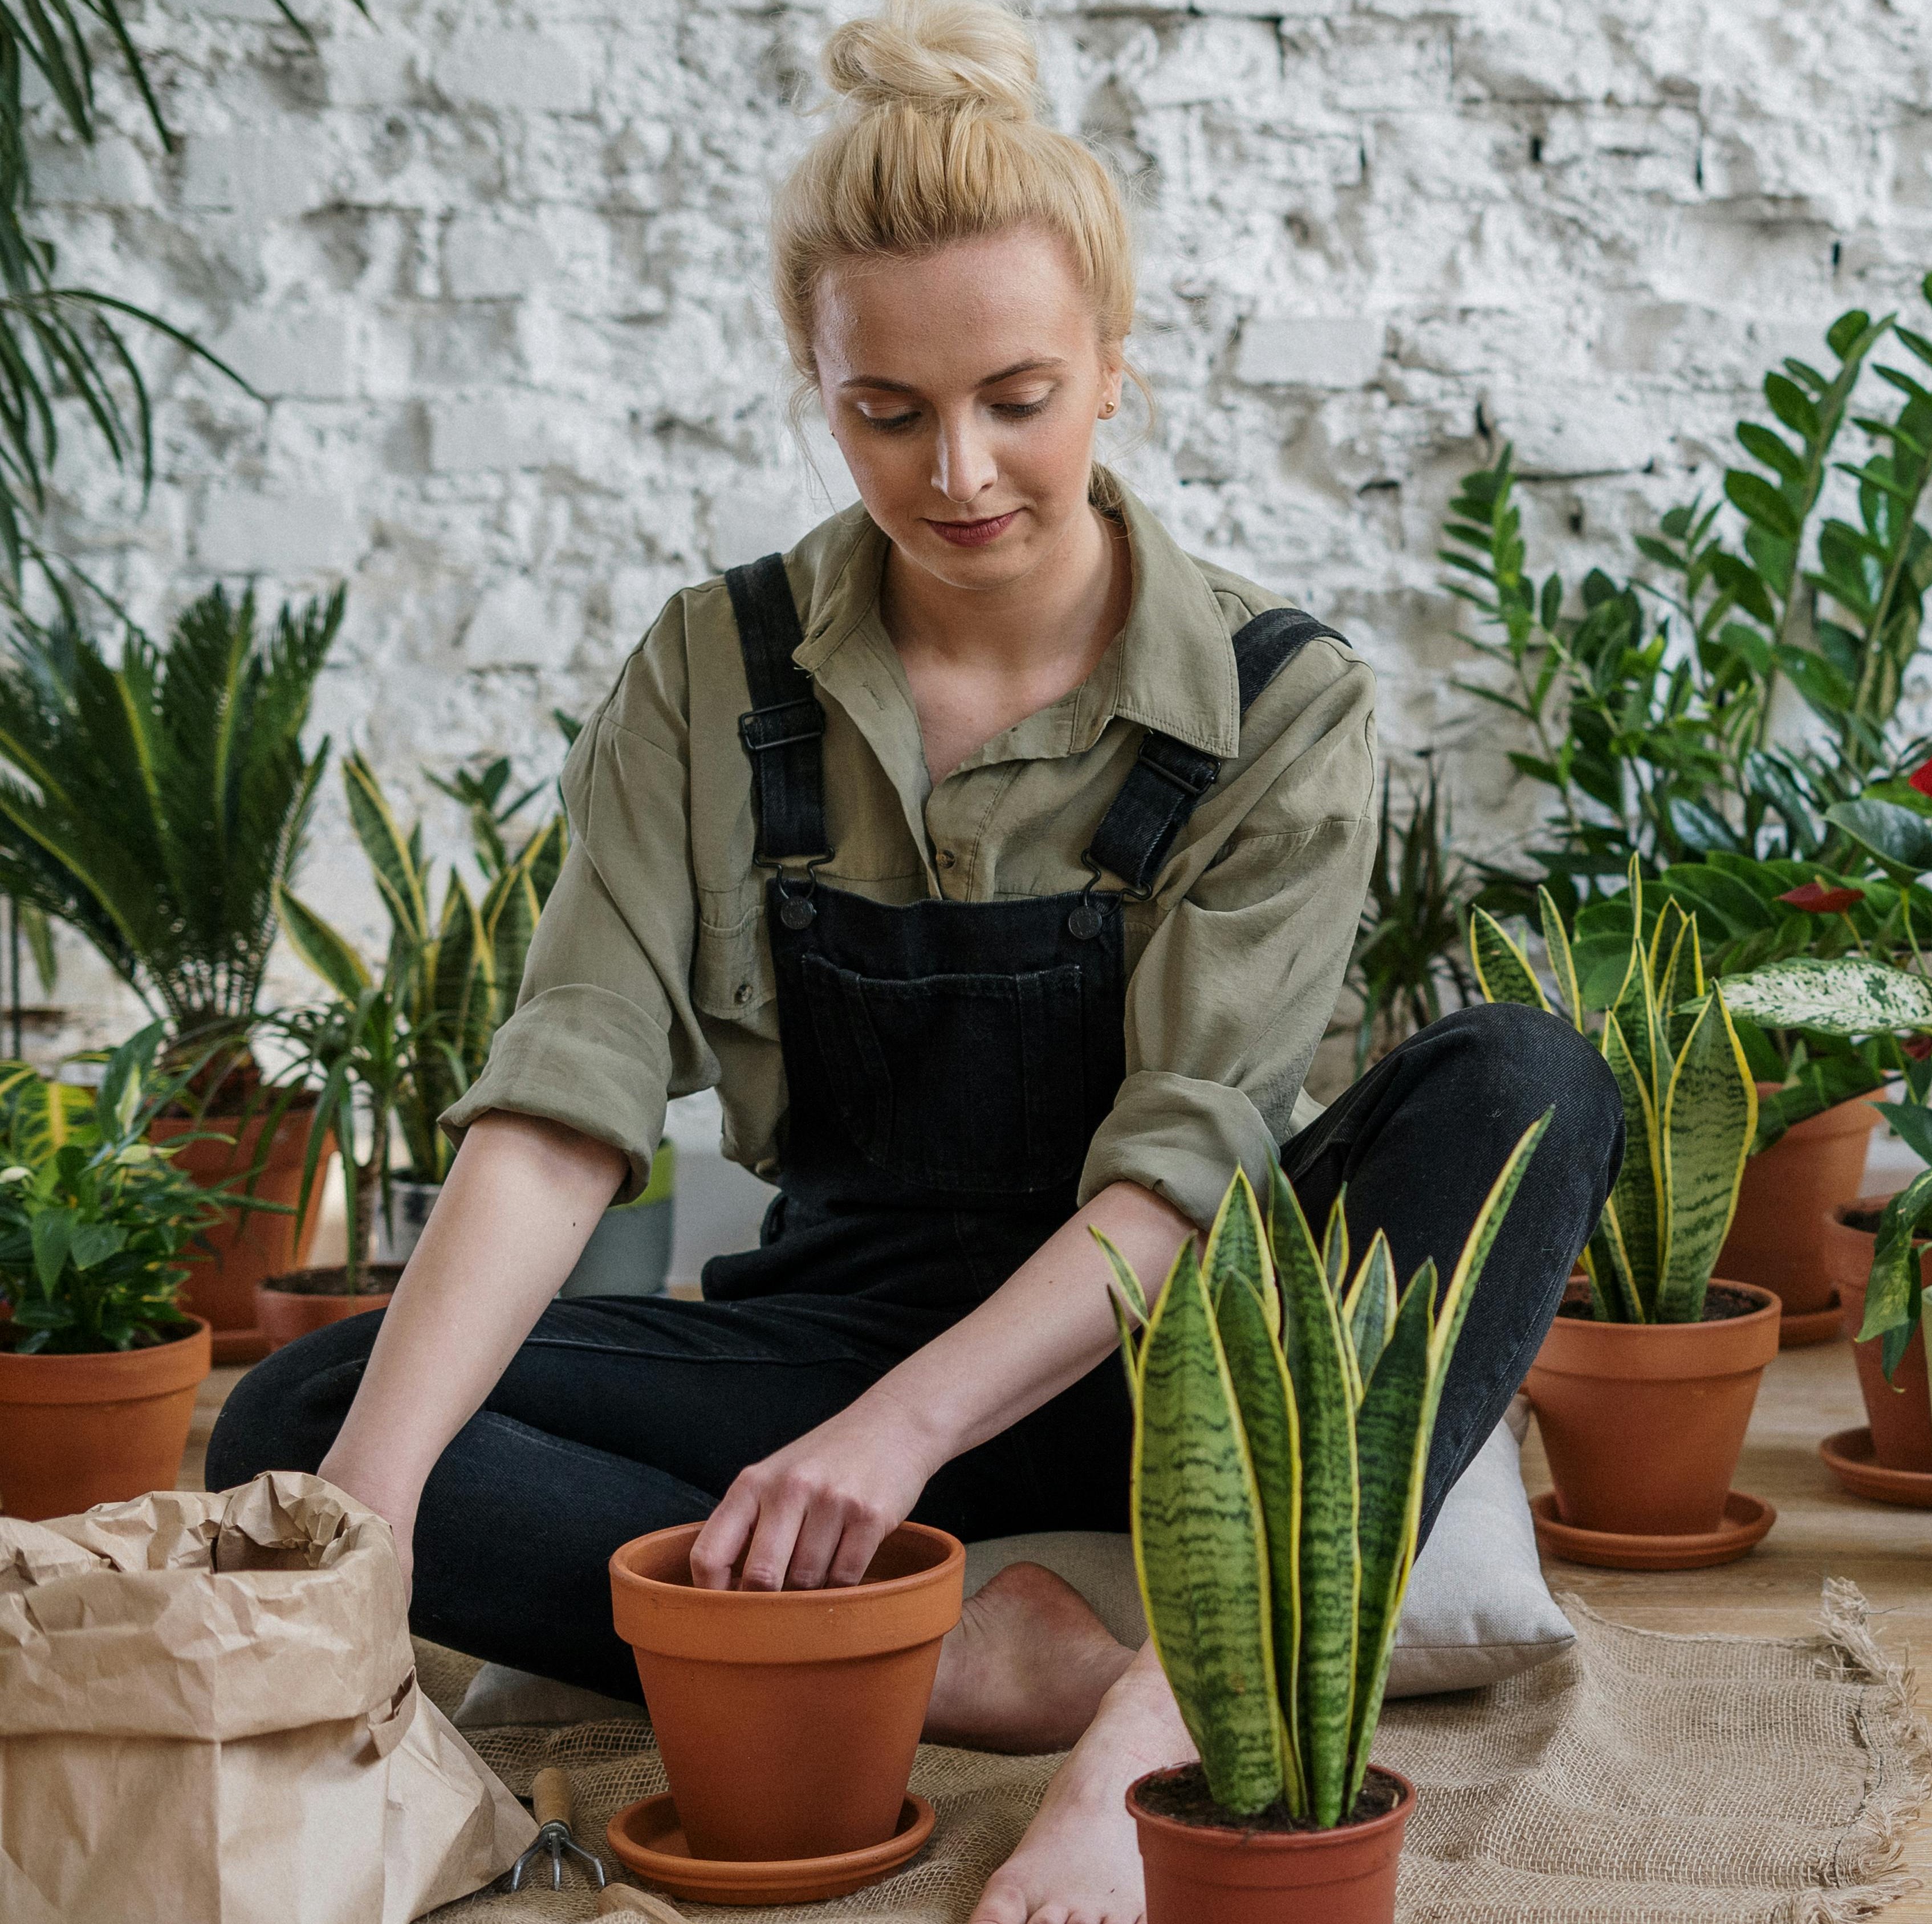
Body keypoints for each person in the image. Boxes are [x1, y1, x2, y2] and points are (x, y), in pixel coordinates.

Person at [205, 4, 1616, 1917]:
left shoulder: (1280, 706)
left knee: (1535, 1082)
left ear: (1114, 367)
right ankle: (963, 1655)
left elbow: (1187, 1170)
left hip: (1169, 1361)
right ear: (816, 377)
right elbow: (562, 1114)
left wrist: (898, 1437)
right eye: (889, 411)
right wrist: (355, 1546)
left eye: (1018, 396)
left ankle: (1168, 1712)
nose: (959, 470)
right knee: (302, 1424)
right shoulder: (714, 675)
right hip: (834, 1330)